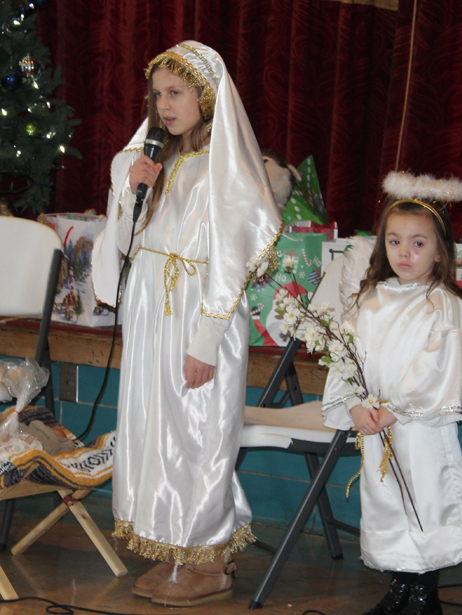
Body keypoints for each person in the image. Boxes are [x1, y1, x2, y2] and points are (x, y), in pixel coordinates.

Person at [92, 41, 282, 607]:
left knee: (201, 435)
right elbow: (124, 249)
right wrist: (128, 195)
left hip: (201, 316)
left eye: (176, 93)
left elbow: (229, 267)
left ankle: (212, 559)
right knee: (159, 434)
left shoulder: (227, 170)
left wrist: (205, 341)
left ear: (205, 95)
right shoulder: (155, 162)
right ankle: (179, 551)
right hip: (153, 312)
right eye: (158, 94)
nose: (164, 105)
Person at [322, 171, 462, 615]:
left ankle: (424, 594)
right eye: (395, 242)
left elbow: (436, 365)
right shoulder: (370, 298)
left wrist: (396, 409)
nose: (405, 253)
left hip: (418, 427)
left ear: (439, 250)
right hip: (375, 426)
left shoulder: (441, 301)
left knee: (422, 502)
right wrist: (354, 404)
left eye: (418, 243)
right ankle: (399, 588)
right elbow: (343, 353)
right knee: (387, 502)